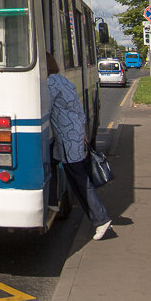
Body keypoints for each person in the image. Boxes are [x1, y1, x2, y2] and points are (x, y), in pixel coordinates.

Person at [47, 52, 112, 240]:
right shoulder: (63, 80)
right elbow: (78, 109)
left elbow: (45, 107)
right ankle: (52, 202)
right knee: (52, 163)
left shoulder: (50, 83)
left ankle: (101, 219)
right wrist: (84, 133)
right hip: (74, 134)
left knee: (79, 180)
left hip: (67, 137)